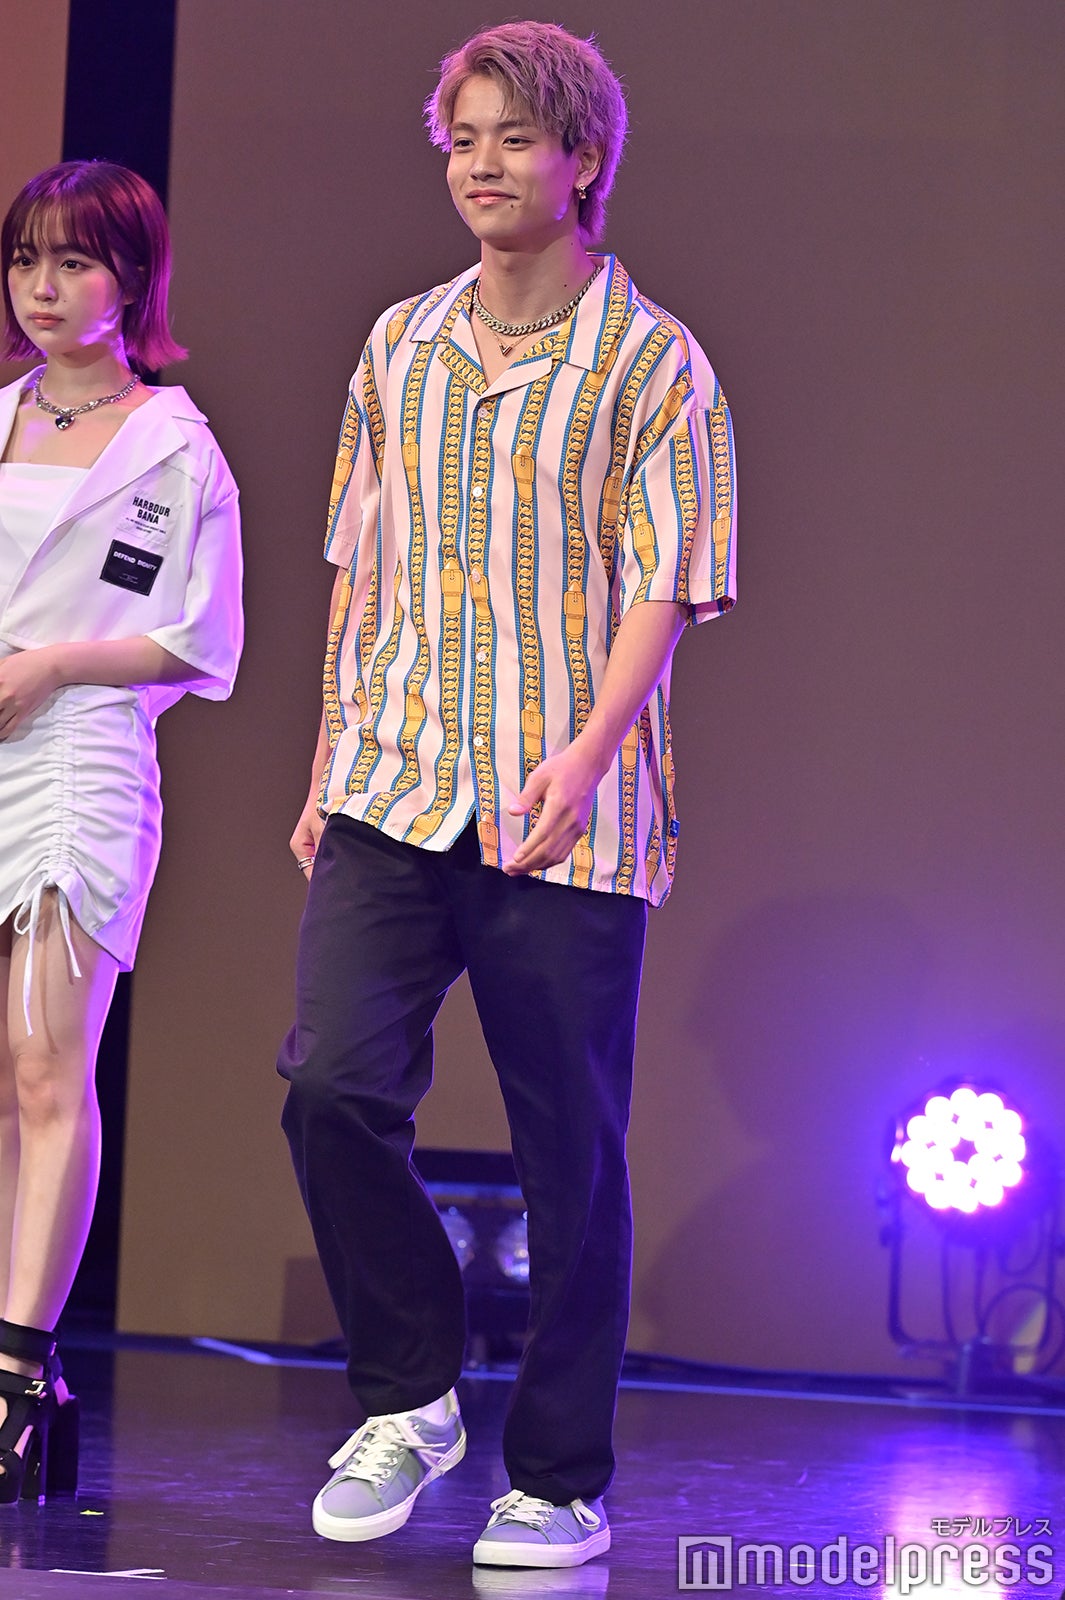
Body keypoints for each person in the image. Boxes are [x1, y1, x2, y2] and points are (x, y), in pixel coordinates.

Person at [278, 19, 735, 1570]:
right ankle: (411, 1395)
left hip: (568, 812)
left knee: (568, 1159)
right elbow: (360, 565)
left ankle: (556, 1478)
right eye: (462, 138)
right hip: (393, 781)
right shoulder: (401, 343)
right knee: (332, 1086)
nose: (480, 165)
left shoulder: (650, 359)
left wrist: (589, 752)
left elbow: (666, 583)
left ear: (581, 160)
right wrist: (327, 753)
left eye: (513, 139)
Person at [0, 160, 242, 1501]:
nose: (43, 288)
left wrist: (51, 667)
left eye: (75, 261)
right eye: (26, 259)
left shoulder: (172, 445)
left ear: (131, 279)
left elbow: (199, 640)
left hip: (78, 757)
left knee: (48, 1067)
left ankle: (17, 1375)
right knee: (0, 1079)